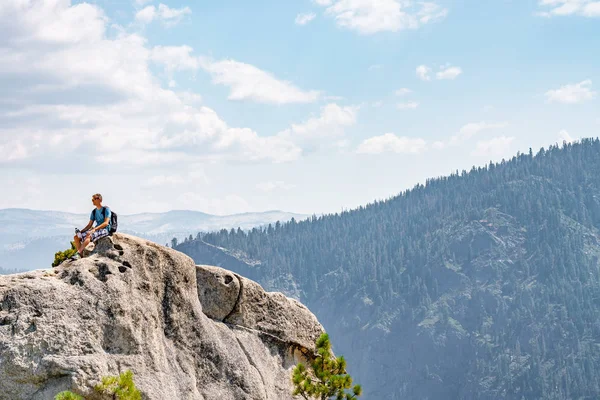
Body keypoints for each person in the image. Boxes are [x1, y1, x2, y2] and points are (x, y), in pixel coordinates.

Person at [73, 193, 112, 258]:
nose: (92, 201)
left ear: (99, 199)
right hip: (96, 229)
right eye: (92, 199)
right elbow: (89, 225)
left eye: (94, 199)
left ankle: (78, 253)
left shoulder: (106, 209)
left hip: (105, 229)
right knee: (76, 237)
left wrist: (94, 229)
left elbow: (106, 223)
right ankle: (81, 255)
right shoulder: (94, 212)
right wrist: (81, 232)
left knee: (89, 235)